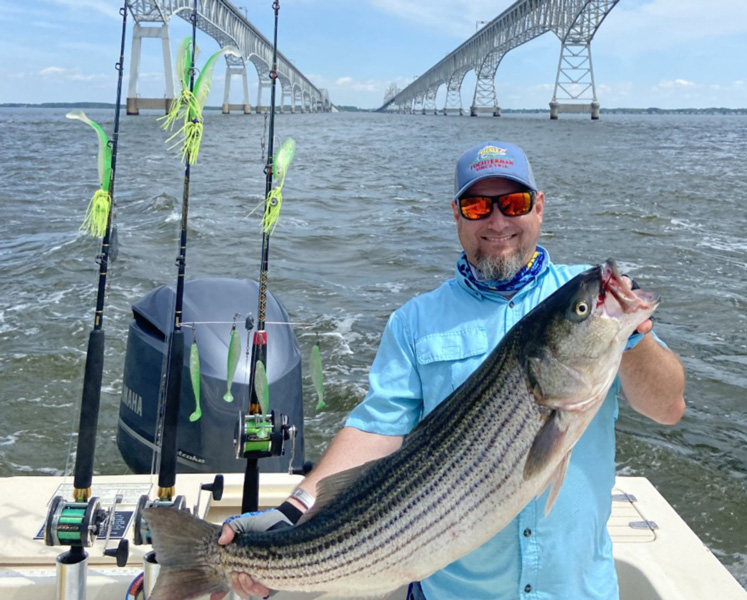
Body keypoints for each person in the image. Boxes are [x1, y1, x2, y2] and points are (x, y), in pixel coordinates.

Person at [214, 141, 686, 600]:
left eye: (513, 202)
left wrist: (631, 334)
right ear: (457, 214)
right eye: (478, 207)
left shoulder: (585, 298)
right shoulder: (415, 322)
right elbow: (376, 429)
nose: (498, 220)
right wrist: (294, 511)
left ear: (539, 207)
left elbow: (667, 407)